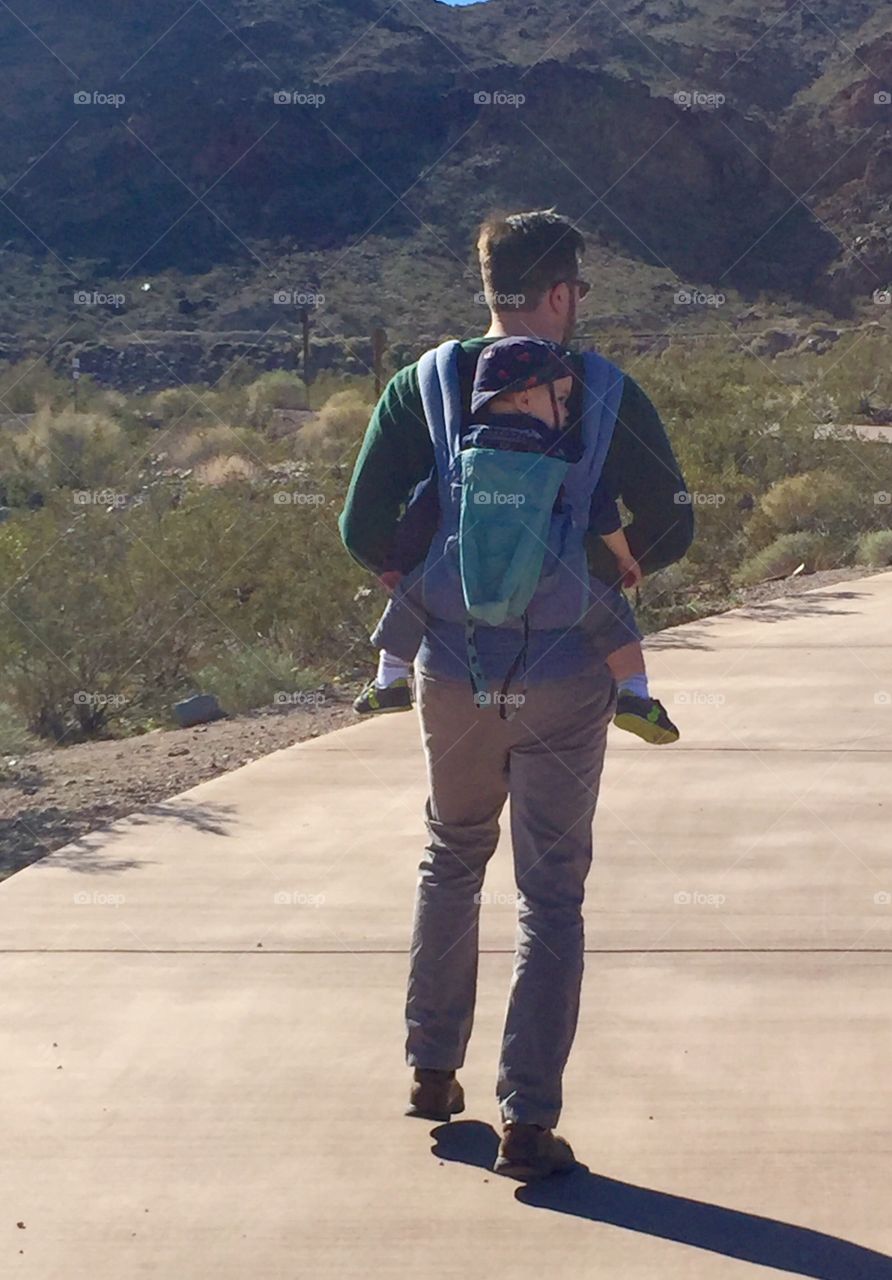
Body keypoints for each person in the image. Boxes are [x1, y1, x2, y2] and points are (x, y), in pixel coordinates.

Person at [339, 208, 694, 1181]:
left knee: (451, 856)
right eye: (576, 289)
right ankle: (527, 1121)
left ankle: (430, 1069)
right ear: (560, 292)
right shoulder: (605, 389)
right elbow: (673, 519)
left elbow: (361, 526)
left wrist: (421, 581)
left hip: (454, 675)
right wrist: (605, 567)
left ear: (490, 286)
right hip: (568, 678)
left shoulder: (424, 384)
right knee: (551, 895)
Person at [352, 334, 679, 745]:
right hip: (553, 578)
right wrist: (623, 557)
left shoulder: (461, 457)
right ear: (525, 399)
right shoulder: (560, 455)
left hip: (460, 577)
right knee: (611, 617)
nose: (566, 410)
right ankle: (634, 693)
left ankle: (390, 679)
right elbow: (601, 514)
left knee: (410, 599)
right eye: (561, 399)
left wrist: (400, 565)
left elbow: (423, 511)